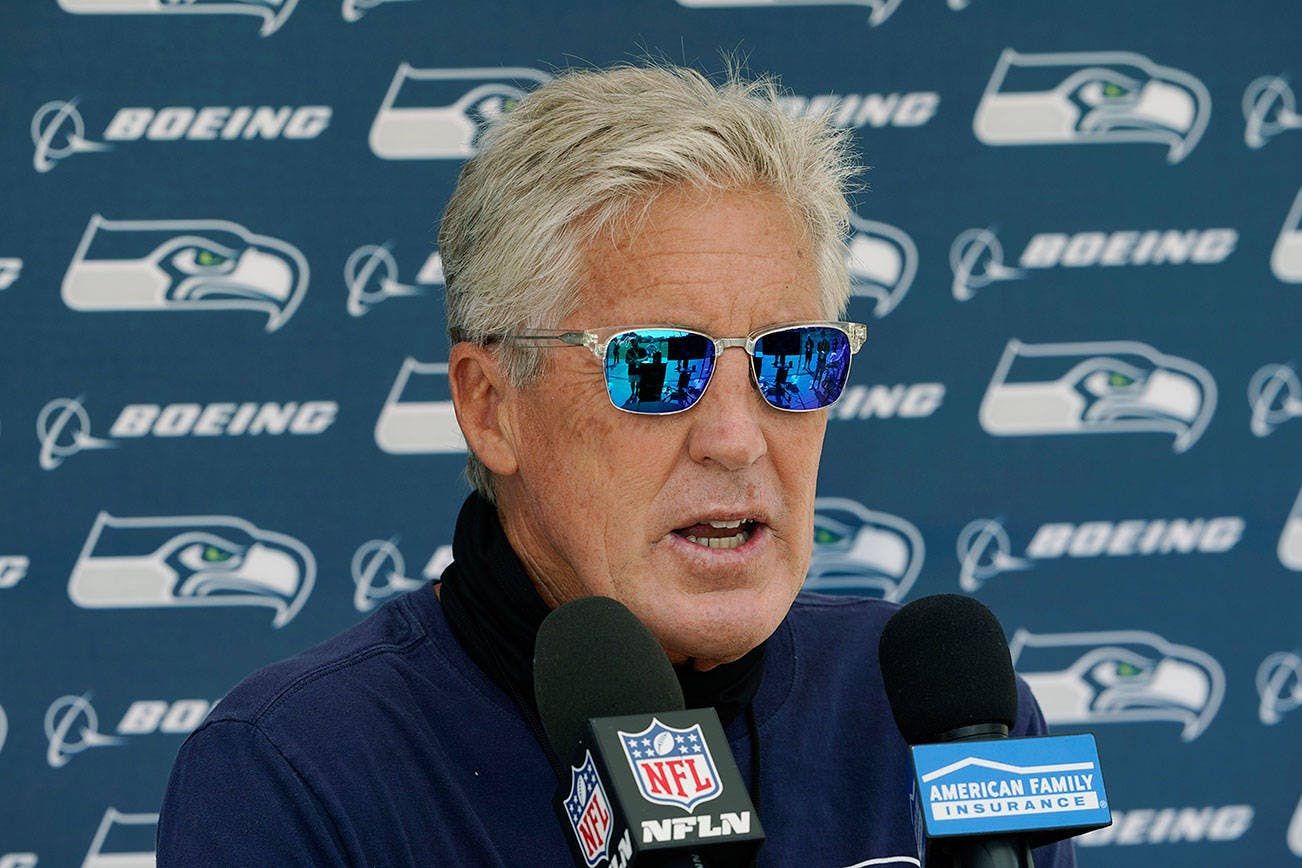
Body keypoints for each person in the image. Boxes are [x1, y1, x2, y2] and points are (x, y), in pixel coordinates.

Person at [157, 64, 1074, 866]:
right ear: (491, 405)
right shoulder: (294, 771)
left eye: (794, 359)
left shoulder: (946, 719)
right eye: (657, 366)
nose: (736, 438)